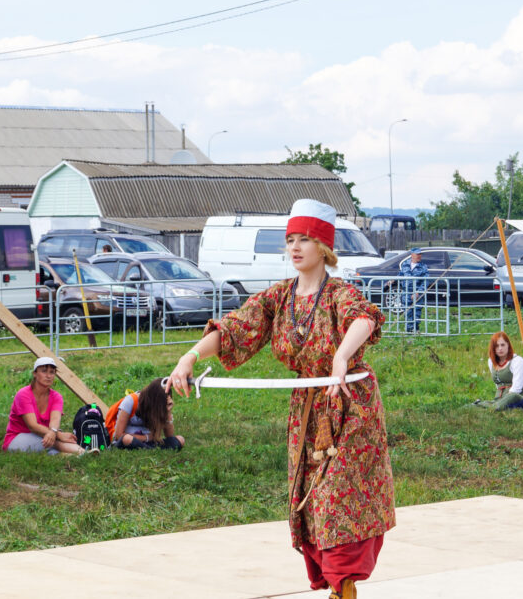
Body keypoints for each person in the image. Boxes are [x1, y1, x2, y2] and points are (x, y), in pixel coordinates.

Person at [168, 198, 394, 599]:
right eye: (290, 239)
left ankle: (344, 590)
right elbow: (236, 329)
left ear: (323, 247)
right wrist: (189, 357)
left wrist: (341, 355)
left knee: (339, 503)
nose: (295, 247)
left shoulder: (339, 292)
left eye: (304, 239)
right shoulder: (279, 297)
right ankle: (338, 589)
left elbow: (365, 318)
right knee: (310, 504)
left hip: (349, 409)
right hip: (306, 411)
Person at [2, 357, 85, 455]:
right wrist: (58, 435)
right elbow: (32, 426)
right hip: (18, 438)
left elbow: (55, 420)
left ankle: (69, 455)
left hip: (44, 435)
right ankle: (84, 453)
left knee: (52, 444)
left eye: (52, 372)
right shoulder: (23, 394)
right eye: (44, 371)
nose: (48, 376)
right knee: (55, 442)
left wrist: (54, 432)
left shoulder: (56, 397)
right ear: (35, 374)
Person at [108, 378, 185, 450]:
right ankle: (150, 449)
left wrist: (168, 411)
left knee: (180, 439)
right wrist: (146, 438)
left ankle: (148, 448)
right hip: (130, 440)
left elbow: (169, 436)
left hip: (152, 442)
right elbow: (118, 435)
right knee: (127, 439)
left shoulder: (160, 406)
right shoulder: (131, 401)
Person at [473, 332, 523, 409]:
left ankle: (485, 405)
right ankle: (485, 405)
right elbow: (498, 384)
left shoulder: (517, 361)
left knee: (510, 397)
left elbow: (516, 389)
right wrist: (500, 399)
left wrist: (504, 400)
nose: (500, 348)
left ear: (508, 345)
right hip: (500, 399)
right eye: (496, 346)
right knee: (470, 407)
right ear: (493, 348)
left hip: (519, 397)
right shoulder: (491, 361)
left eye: (503, 345)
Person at [398, 248, 428, 333]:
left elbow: (425, 281)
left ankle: (416, 329)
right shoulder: (405, 264)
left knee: (417, 311)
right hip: (406, 292)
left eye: (420, 254)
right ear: (412, 255)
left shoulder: (423, 267)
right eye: (417, 254)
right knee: (407, 311)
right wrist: (392, 280)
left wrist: (418, 292)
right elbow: (400, 274)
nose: (419, 256)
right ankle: (409, 330)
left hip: (417, 293)